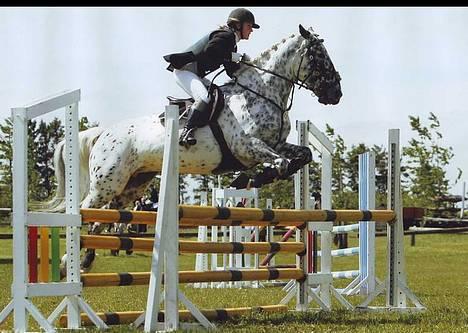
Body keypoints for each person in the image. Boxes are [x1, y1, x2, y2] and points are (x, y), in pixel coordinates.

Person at [163, 8, 260, 147]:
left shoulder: (232, 43)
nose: (251, 30)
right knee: (204, 98)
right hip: (184, 71)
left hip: (196, 73)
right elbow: (210, 51)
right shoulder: (226, 36)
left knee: (218, 95)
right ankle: (187, 131)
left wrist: (247, 70)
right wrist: (232, 57)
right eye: (249, 26)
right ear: (238, 25)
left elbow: (230, 71)